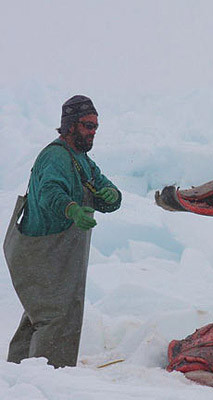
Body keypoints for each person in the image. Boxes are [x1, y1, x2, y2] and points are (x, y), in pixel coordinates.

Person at [4, 95, 121, 367]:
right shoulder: (55, 156)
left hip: (59, 256)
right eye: (87, 125)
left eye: (95, 127)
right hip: (42, 252)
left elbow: (109, 192)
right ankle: (50, 381)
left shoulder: (82, 161)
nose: (93, 132)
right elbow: (49, 192)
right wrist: (72, 210)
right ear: (69, 126)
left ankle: (17, 374)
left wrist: (111, 196)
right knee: (57, 318)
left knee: (39, 315)